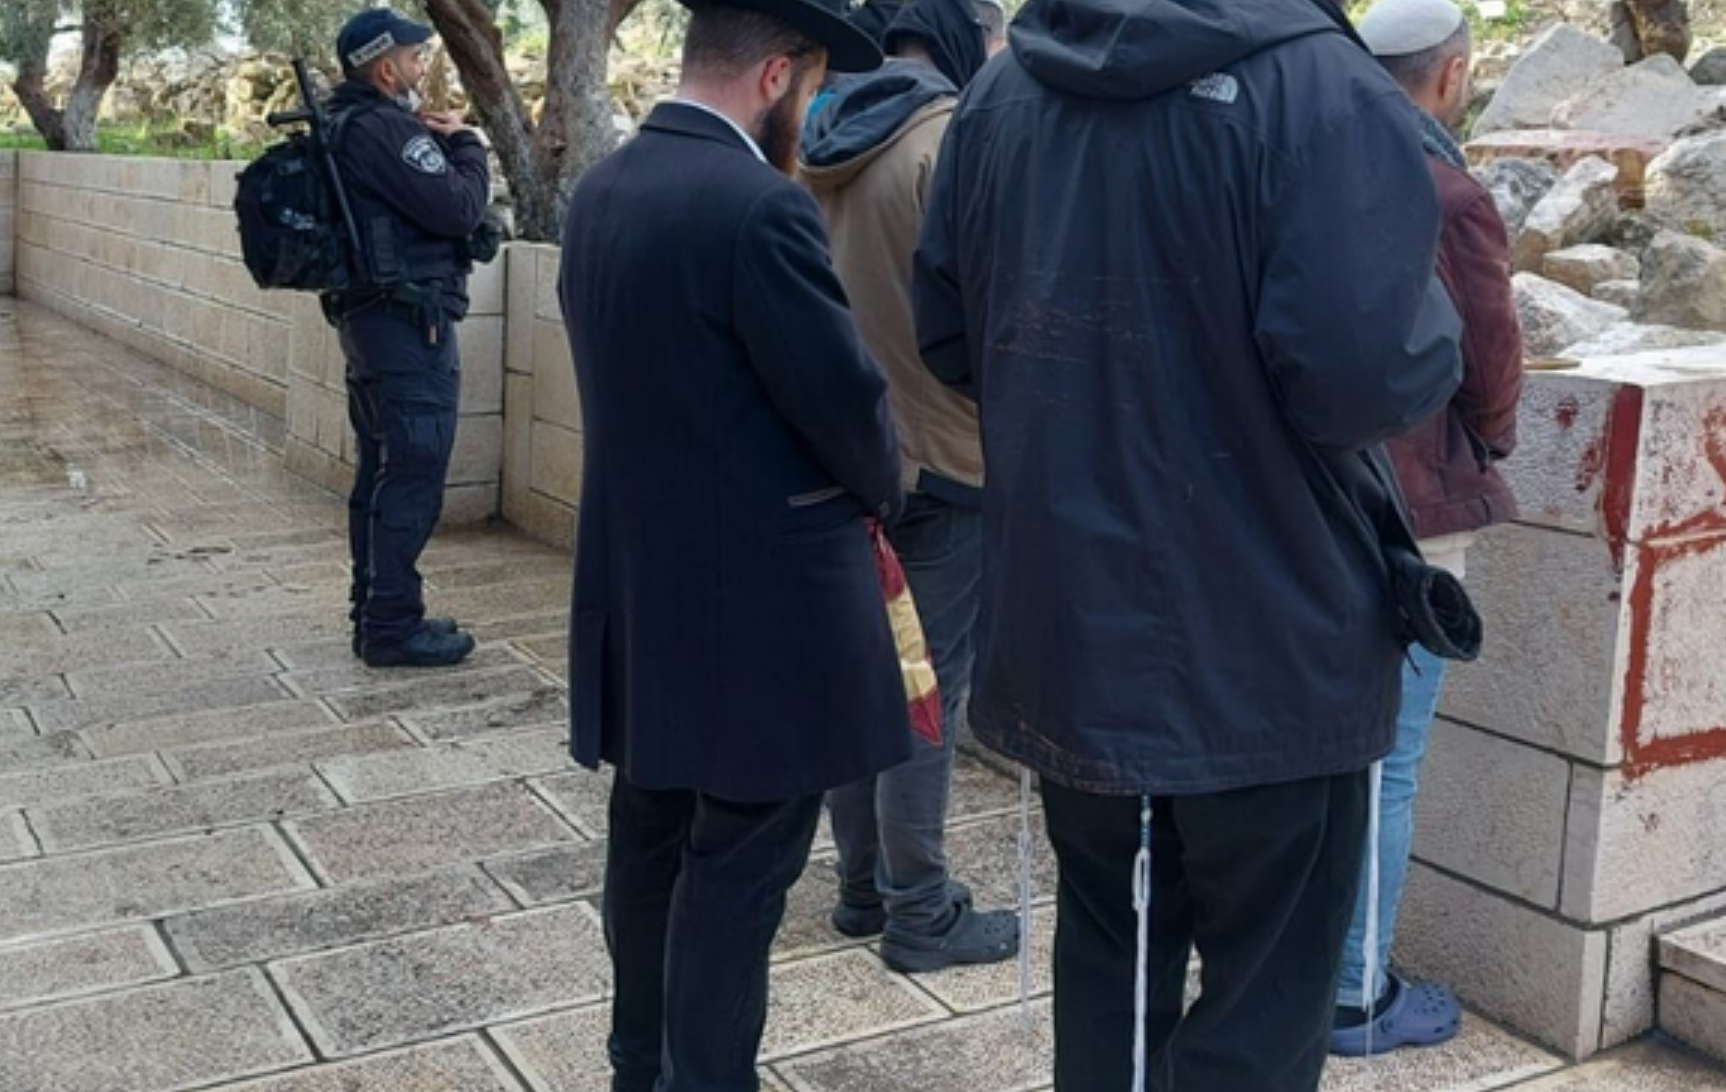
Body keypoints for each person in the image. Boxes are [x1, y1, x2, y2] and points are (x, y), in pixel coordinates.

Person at [912, 0, 1463, 1086]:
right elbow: (1367, 376)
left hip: (1072, 626)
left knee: (1106, 962)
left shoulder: (1001, 93)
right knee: (1265, 999)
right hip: (1275, 643)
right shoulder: (1324, 91)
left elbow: (949, 334)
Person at [557, 0, 910, 1087]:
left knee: (651, 834)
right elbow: (844, 405)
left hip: (642, 582)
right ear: (774, 76)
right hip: (758, 608)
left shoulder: (603, 188)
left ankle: (638, 1063)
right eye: (811, 87)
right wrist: (889, 474)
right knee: (740, 871)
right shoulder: (757, 207)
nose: (810, 109)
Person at [799, 0, 1017, 973]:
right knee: (925, 697)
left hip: (846, 456)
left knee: (855, 681)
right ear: (965, 38)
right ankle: (920, 910)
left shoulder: (816, 139)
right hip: (947, 458)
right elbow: (996, 318)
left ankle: (858, 888)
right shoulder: (951, 145)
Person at [1333, 0, 1524, 1057]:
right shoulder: (1449, 189)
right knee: (1388, 764)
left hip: (1317, 505)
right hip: (1414, 518)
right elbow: (1492, 367)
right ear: (1450, 74)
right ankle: (1355, 991)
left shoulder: (1313, 166)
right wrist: (1484, 449)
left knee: (1326, 758)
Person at [323, 9, 492, 668]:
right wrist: (469, 143)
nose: (423, 70)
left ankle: (377, 610)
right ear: (386, 66)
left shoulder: (346, 125)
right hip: (407, 327)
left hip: (371, 324)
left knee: (381, 472)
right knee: (413, 477)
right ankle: (392, 626)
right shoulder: (385, 128)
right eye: (417, 59)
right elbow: (458, 208)